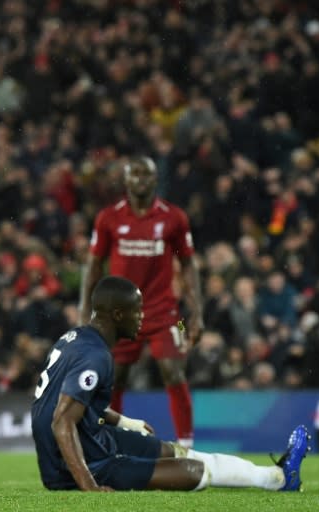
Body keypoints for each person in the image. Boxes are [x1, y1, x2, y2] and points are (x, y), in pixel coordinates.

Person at [32, 275, 311, 492]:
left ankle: (277, 476)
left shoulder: (75, 339)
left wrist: (126, 422)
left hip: (89, 440)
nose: (142, 317)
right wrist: (88, 485)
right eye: (137, 311)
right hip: (84, 462)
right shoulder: (96, 355)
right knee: (195, 472)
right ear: (118, 314)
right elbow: (62, 420)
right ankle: (276, 479)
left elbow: (73, 404)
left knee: (174, 451)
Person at [78, 156, 203, 447]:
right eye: (135, 174)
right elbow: (94, 265)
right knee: (115, 377)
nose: (140, 180)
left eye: (146, 174)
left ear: (156, 179)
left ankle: (186, 446)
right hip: (119, 314)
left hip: (167, 312)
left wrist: (195, 314)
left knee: (173, 370)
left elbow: (188, 265)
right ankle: (111, 442)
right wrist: (85, 309)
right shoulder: (109, 218)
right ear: (125, 180)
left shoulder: (174, 218)